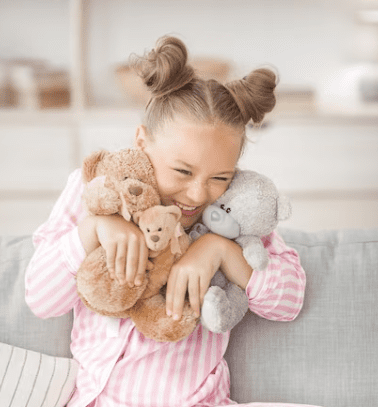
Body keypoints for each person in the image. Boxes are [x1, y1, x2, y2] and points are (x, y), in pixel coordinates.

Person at [25, 36, 313, 407]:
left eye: (219, 177)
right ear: (142, 142)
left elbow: (287, 302)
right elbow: (40, 299)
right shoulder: (95, 190)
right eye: (182, 171)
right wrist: (94, 230)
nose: (196, 195)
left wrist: (218, 250)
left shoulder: (233, 213)